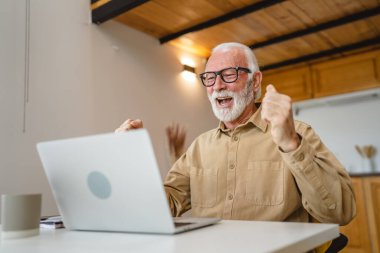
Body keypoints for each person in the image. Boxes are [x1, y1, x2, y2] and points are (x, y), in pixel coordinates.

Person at [115, 42, 356, 225]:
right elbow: (161, 209)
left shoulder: (298, 133)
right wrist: (132, 160)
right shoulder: (200, 146)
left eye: (229, 74)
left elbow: (340, 212)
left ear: (255, 82)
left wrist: (291, 144)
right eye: (210, 77)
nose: (217, 85)